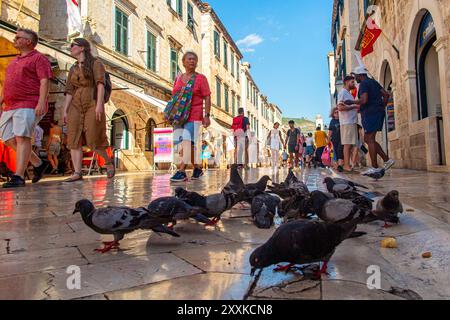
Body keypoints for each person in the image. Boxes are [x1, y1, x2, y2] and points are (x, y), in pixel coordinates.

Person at [0, 29, 52, 188]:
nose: (15, 39)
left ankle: (19, 176)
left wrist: (41, 102)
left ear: (28, 41)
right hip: (10, 105)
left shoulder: (39, 58)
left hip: (29, 103)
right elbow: (7, 84)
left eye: (18, 37)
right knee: (6, 137)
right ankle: (38, 163)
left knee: (22, 138)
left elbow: (45, 81)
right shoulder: (14, 61)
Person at [63, 38, 115, 182]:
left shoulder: (96, 63)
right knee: (74, 137)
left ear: (82, 48)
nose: (71, 47)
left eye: (73, 45)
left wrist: (99, 104)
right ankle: (77, 172)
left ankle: (108, 162)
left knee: (94, 135)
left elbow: (100, 84)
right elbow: (69, 90)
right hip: (75, 103)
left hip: (91, 101)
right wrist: (65, 110)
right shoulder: (73, 68)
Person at [170, 51, 211, 182]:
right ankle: (197, 169)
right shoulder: (178, 78)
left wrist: (207, 115)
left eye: (194, 59)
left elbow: (207, 97)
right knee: (183, 144)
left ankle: (181, 171)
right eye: (189, 59)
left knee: (187, 140)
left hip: (194, 114)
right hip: (179, 115)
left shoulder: (201, 78)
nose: (192, 61)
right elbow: (174, 96)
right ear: (183, 62)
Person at [345, 66, 395, 175]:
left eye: (356, 76)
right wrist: (382, 107)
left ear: (360, 75)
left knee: (370, 139)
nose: (355, 78)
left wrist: (351, 102)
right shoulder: (373, 82)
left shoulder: (364, 84)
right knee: (368, 139)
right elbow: (386, 94)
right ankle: (387, 160)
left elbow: (364, 100)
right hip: (376, 112)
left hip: (370, 114)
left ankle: (375, 167)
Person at [337, 75, 360, 172]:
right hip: (347, 122)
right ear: (346, 82)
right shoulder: (343, 93)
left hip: (351, 122)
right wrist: (353, 107)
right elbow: (340, 108)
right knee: (347, 145)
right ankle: (346, 166)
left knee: (350, 145)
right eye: (352, 82)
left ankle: (348, 165)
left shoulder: (348, 94)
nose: (353, 84)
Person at [328, 107, 344, 172]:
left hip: (342, 139)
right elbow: (330, 132)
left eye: (338, 112)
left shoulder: (342, 119)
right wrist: (328, 141)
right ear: (333, 114)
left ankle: (340, 166)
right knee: (335, 153)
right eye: (335, 112)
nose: (337, 114)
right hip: (334, 140)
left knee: (340, 150)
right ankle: (336, 165)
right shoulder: (332, 121)